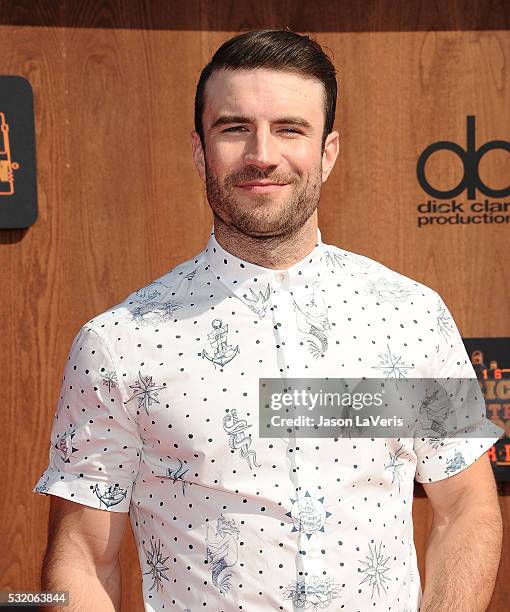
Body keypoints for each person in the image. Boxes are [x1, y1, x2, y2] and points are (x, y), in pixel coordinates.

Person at [34, 29, 503, 612]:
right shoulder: (120, 343)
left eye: (290, 128)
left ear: (327, 152)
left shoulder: (410, 316)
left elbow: (466, 505)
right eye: (234, 128)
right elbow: (80, 554)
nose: (262, 154)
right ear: (199, 150)